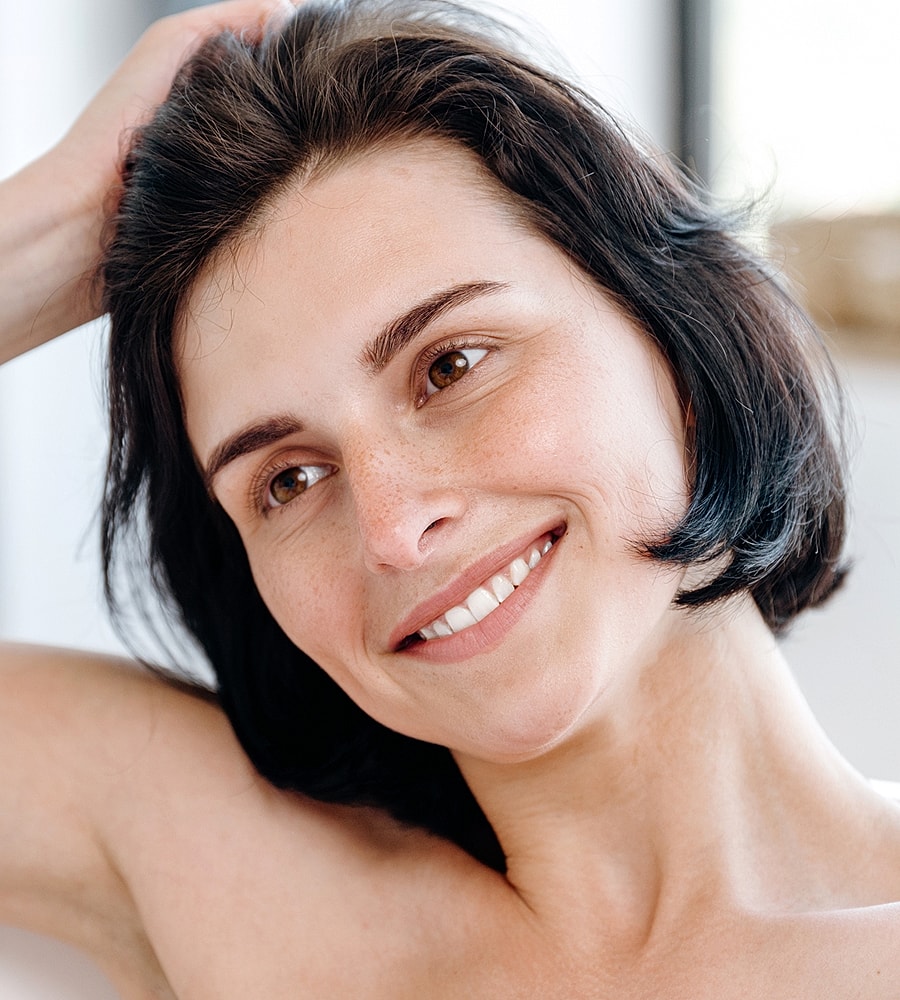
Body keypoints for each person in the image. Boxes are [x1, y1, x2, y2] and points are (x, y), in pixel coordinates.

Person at [2, 0, 899, 996]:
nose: (392, 528)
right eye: (289, 480)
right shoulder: (251, 892)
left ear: (676, 335)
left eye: (450, 366)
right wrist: (40, 237)